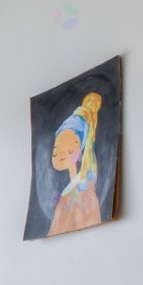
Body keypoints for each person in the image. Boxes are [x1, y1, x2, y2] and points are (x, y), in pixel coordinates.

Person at [47, 92, 105, 236]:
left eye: (69, 150)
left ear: (79, 151)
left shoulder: (84, 192)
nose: (60, 155)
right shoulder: (73, 190)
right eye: (55, 151)